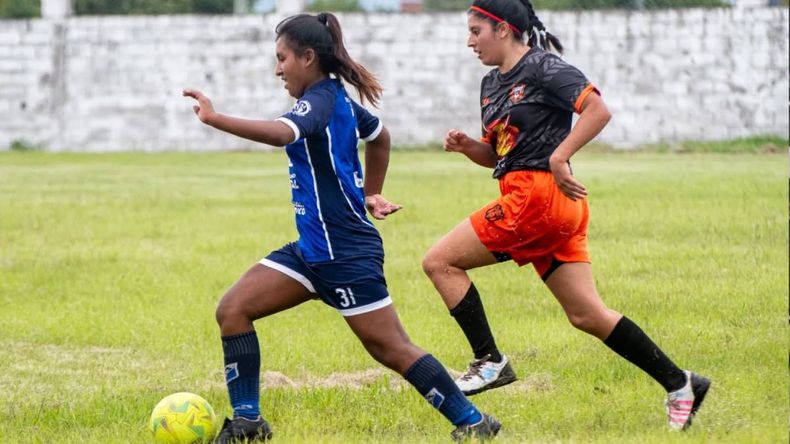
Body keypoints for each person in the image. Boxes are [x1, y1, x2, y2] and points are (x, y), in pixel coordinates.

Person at [183, 12, 500, 443]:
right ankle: (248, 423)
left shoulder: (319, 101)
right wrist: (371, 192)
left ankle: (474, 421)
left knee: (391, 348)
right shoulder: (336, 98)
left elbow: (282, 134)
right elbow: (380, 136)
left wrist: (215, 119)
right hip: (312, 251)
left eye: (283, 58)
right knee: (233, 310)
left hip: (346, 254)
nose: (278, 69)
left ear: (308, 57)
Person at [421, 0, 710, 432]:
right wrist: (468, 147)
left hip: (537, 200)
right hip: (550, 205)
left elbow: (598, 110)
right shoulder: (489, 84)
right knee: (587, 315)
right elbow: (499, 155)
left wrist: (560, 156)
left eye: (476, 31)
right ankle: (680, 382)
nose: (470, 41)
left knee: (439, 262)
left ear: (503, 29)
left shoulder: (543, 67)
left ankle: (489, 361)